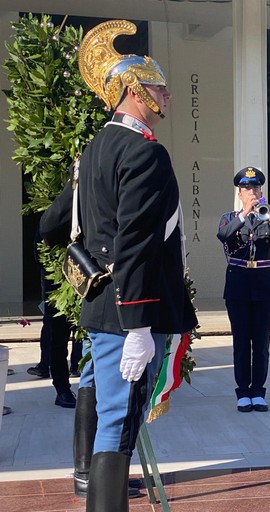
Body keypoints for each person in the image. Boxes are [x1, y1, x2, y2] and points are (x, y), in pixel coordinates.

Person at [39, 20, 197, 512]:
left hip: (100, 306)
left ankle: (86, 483)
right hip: (129, 312)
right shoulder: (144, 153)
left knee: (103, 405)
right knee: (118, 428)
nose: (165, 95)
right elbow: (135, 244)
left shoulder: (92, 151)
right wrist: (138, 325)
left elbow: (50, 226)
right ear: (132, 89)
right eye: (157, 86)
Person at [217, 167, 270, 413]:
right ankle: (242, 392)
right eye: (248, 189)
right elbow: (223, 235)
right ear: (240, 193)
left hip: (264, 285)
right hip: (238, 285)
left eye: (256, 189)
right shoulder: (229, 217)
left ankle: (258, 391)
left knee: (261, 343)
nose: (253, 193)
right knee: (241, 342)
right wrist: (245, 214)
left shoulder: (268, 218)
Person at [29, 224, 77, 408]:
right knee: (57, 337)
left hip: (90, 283)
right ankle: (62, 388)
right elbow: (39, 254)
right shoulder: (51, 217)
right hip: (57, 287)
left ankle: (85, 380)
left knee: (88, 338)